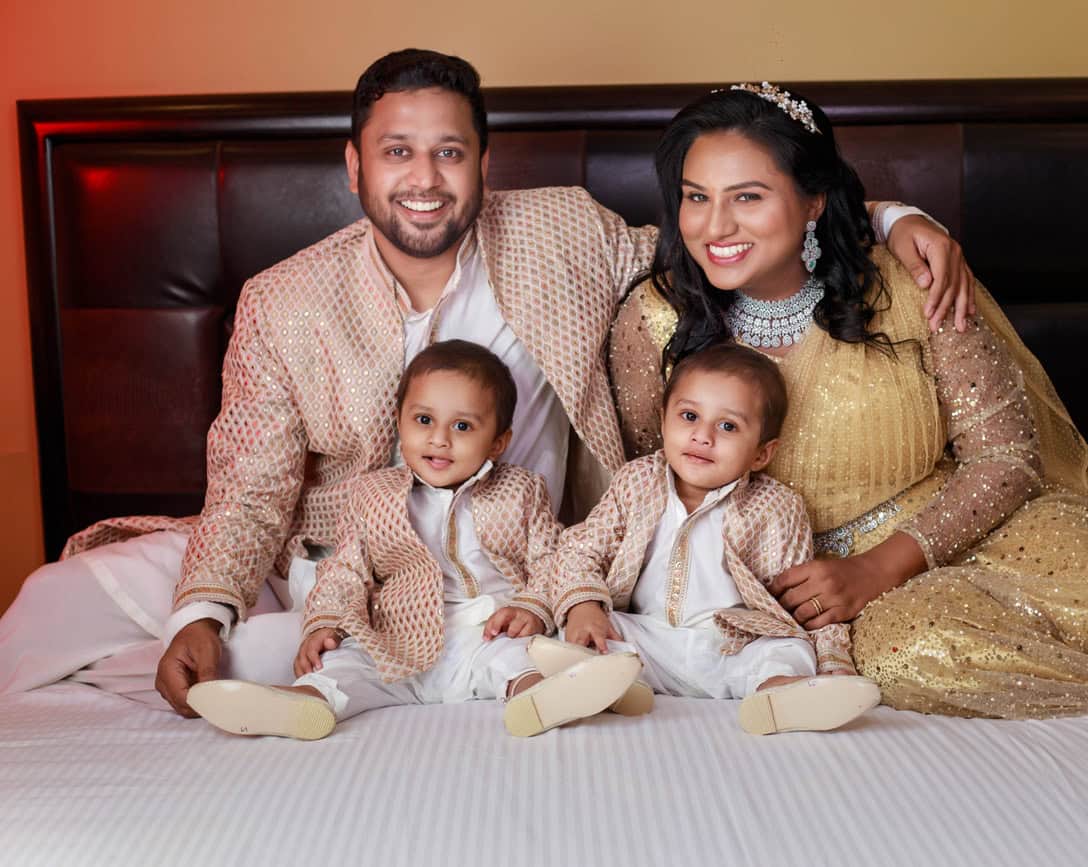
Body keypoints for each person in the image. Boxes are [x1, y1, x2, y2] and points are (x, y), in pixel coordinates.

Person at [0, 50, 971, 717]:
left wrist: (882, 216)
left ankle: (317, 667)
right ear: (353, 166)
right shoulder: (283, 300)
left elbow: (722, 239)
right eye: (397, 152)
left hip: (525, 561)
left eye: (448, 151)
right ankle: (243, 649)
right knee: (59, 603)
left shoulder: (559, 231)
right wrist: (202, 609)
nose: (424, 178)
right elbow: (249, 486)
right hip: (339, 555)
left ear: (480, 163)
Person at [607, 82, 1088, 718]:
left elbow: (1007, 457)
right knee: (925, 654)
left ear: (814, 199)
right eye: (696, 197)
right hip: (797, 596)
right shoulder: (657, 318)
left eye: (747, 196)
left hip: (957, 535)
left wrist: (880, 566)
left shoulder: (912, 284)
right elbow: (650, 485)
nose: (715, 227)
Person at [186, 340, 642, 739]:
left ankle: (541, 699)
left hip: (486, 628)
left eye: (463, 427)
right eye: (424, 419)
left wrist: (532, 608)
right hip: (397, 637)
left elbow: (552, 558)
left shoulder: (521, 490)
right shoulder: (373, 495)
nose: (439, 439)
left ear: (498, 442)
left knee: (517, 660)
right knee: (345, 665)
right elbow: (347, 569)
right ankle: (302, 704)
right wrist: (323, 623)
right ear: (400, 422)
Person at [540, 343, 879, 734]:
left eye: (728, 426)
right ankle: (609, 687)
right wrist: (584, 607)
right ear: (664, 422)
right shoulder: (637, 482)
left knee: (788, 650)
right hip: (650, 642)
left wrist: (834, 660)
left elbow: (803, 603)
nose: (703, 436)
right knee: (590, 630)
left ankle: (778, 696)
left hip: (732, 650)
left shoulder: (775, 508)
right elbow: (580, 549)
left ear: (761, 454)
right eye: (689, 416)